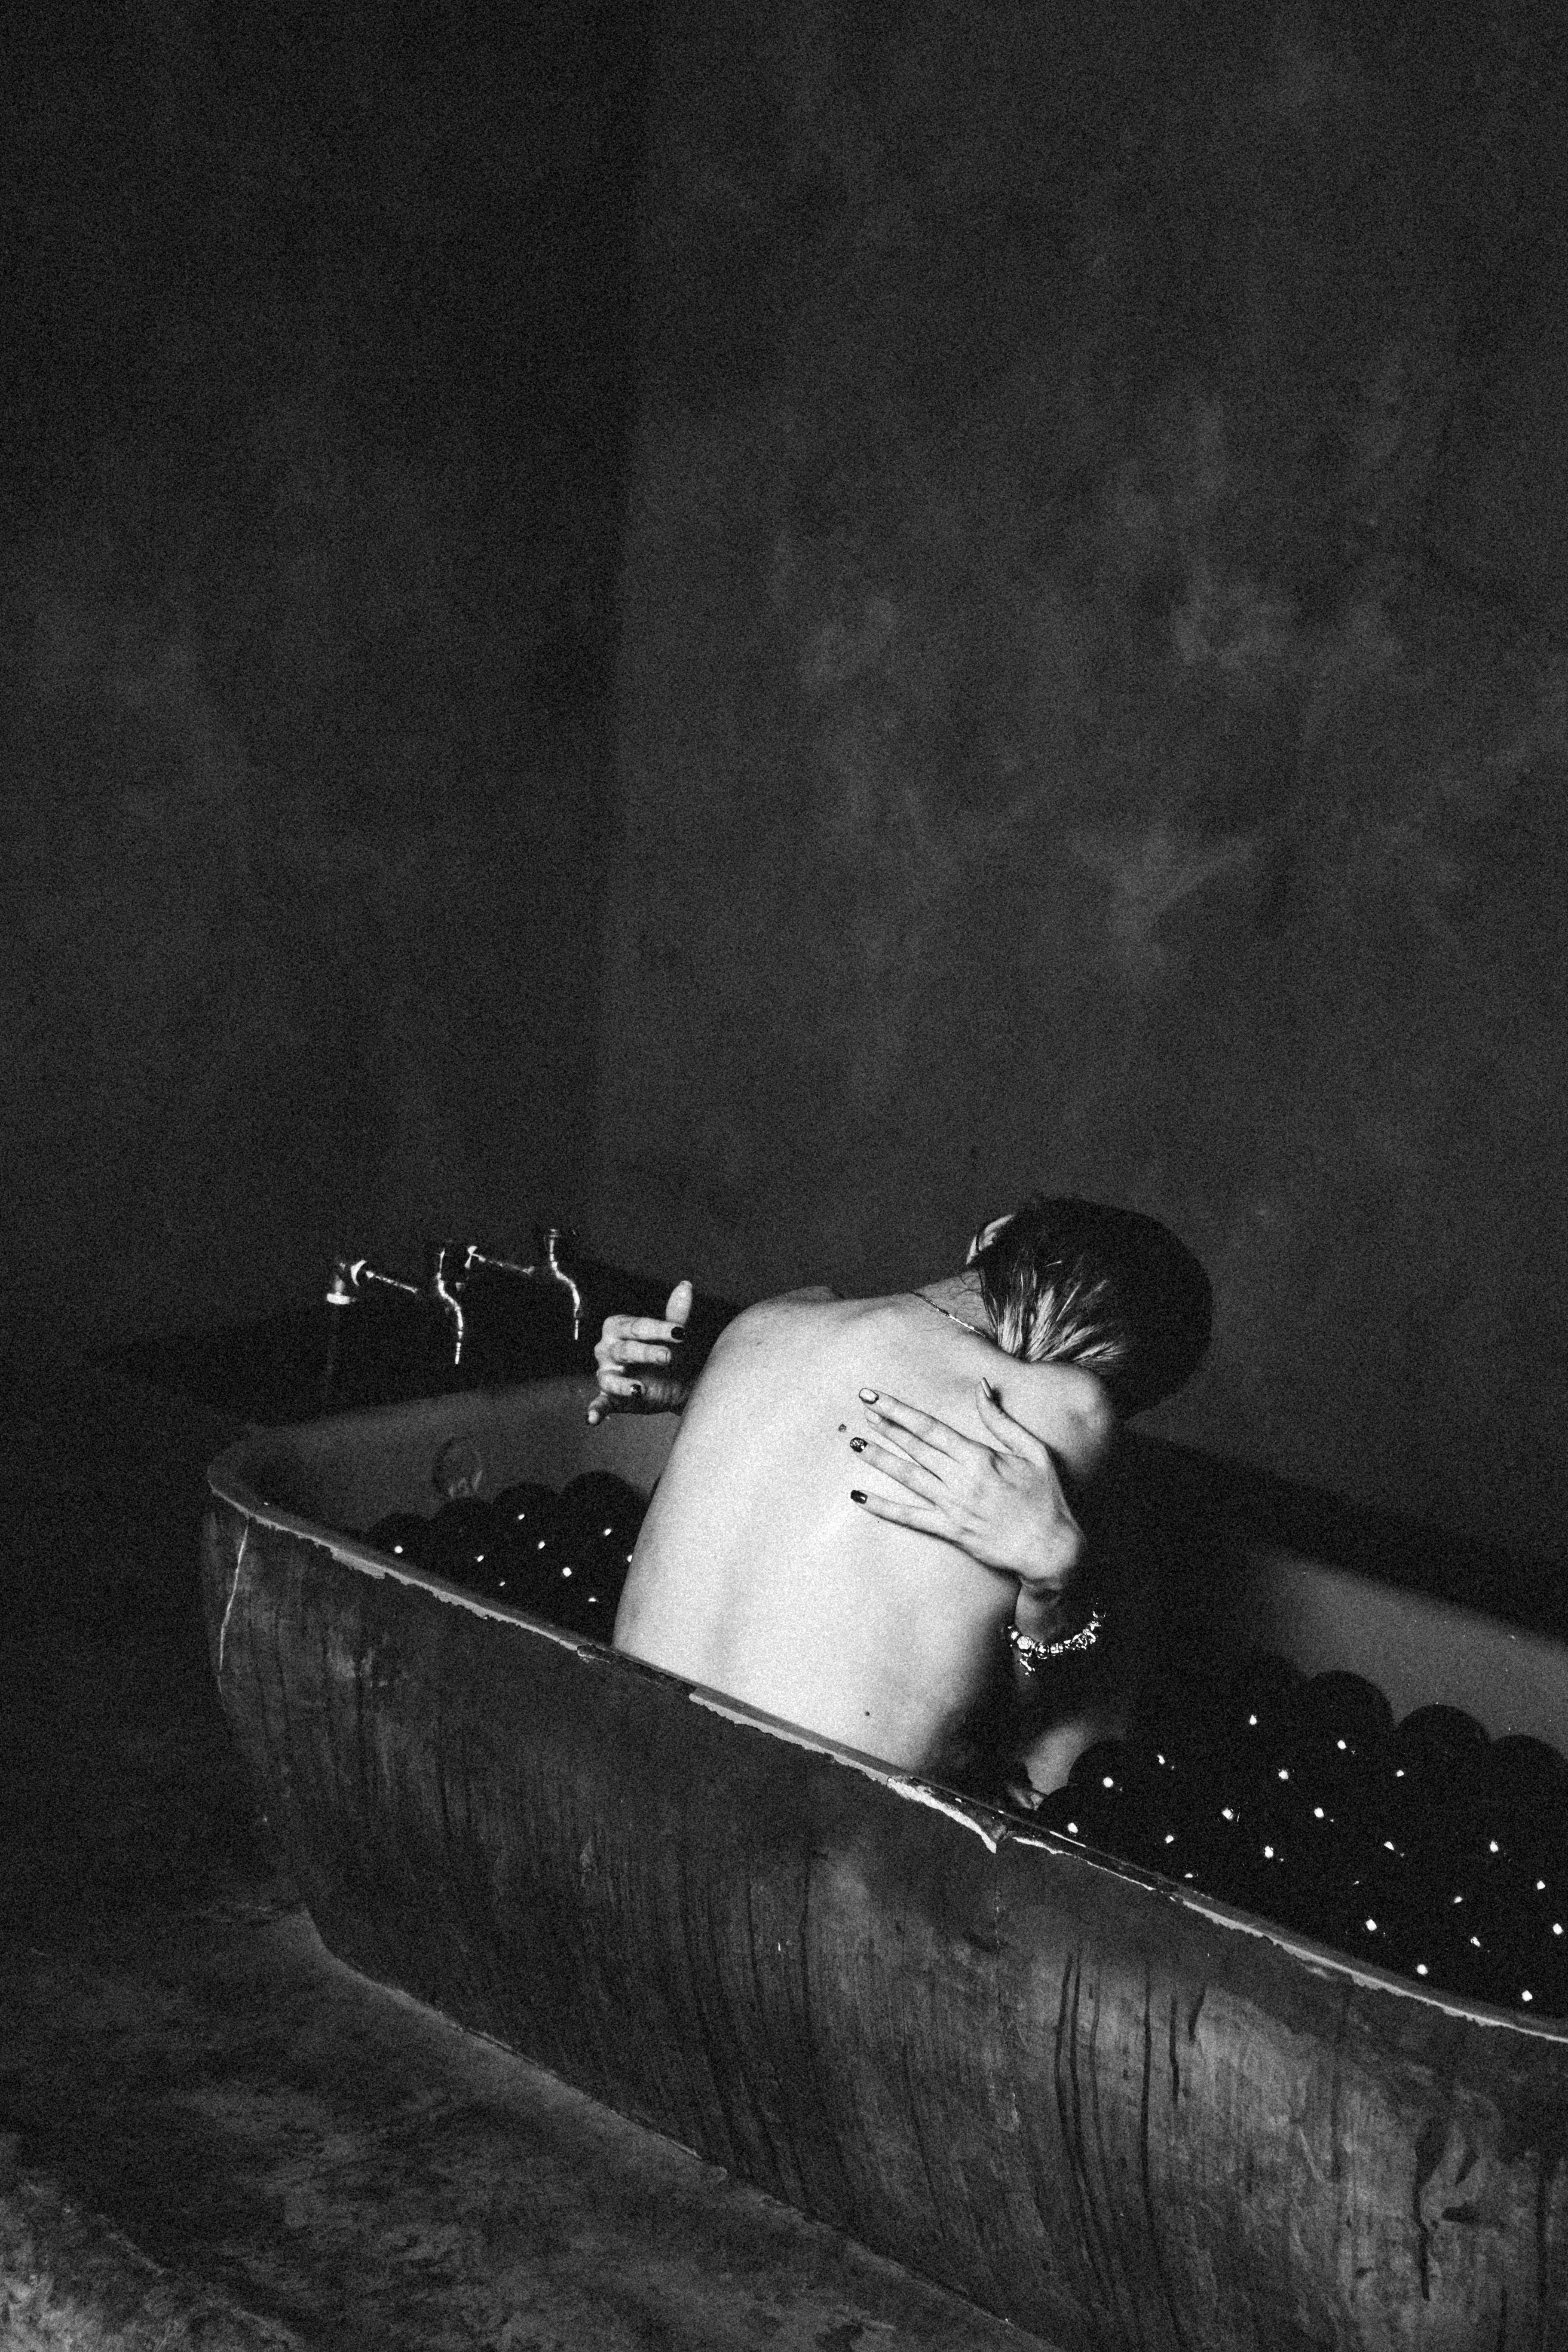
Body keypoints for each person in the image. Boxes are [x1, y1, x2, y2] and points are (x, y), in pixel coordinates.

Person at [592, 1197, 1211, 1799]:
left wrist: (700, 1389)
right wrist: (1054, 1590)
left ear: (991, 1236)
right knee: (1121, 1583)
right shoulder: (1070, 1408)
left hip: (607, 1769)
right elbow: (1048, 1753)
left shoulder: (765, 1321)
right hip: (816, 1832)